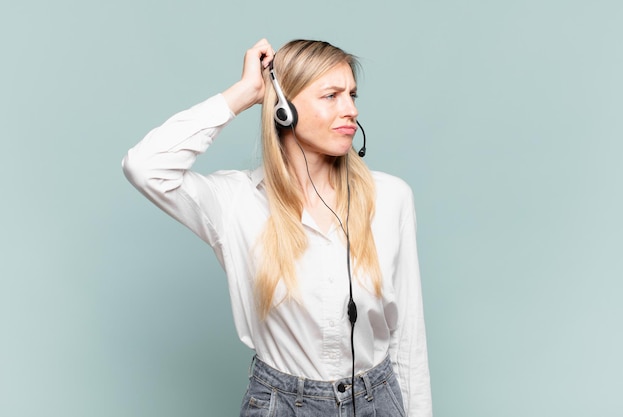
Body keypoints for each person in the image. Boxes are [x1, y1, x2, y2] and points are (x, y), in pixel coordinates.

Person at [122, 38, 432, 417]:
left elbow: (407, 340)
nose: (351, 109)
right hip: (282, 404)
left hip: (377, 401)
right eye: (331, 95)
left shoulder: (392, 198)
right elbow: (144, 167)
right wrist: (243, 94)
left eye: (352, 94)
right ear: (285, 110)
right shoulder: (236, 202)